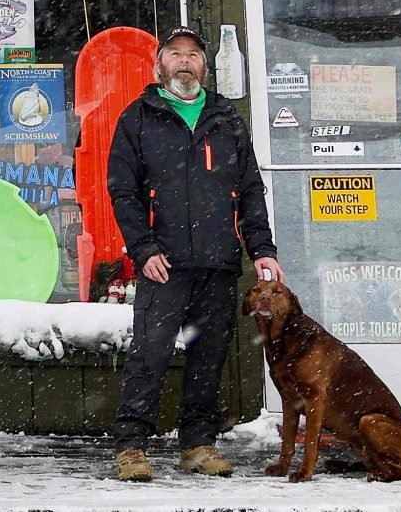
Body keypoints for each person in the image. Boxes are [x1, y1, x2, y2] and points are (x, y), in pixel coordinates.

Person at [103, 25, 280, 482]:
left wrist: (262, 249)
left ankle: (197, 445)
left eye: (193, 55)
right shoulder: (138, 118)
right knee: (150, 355)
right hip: (165, 263)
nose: (185, 61)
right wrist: (143, 250)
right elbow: (123, 192)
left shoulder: (225, 117)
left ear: (205, 65)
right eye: (175, 54)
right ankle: (132, 447)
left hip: (218, 262)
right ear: (159, 64)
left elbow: (250, 189)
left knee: (208, 357)